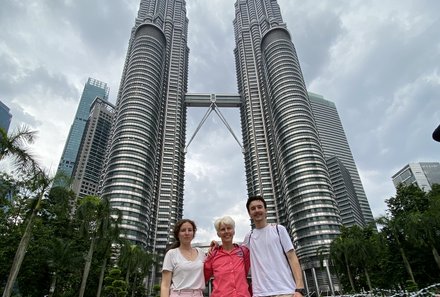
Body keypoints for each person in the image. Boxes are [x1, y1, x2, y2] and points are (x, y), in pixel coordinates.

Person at [244, 195, 306, 297]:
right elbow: (235, 253)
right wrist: (215, 245)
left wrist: (299, 289)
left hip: (285, 290)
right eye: (253, 208)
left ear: (266, 210)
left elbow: (292, 258)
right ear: (249, 213)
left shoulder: (278, 229)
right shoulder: (248, 237)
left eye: (260, 207)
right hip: (260, 293)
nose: (257, 210)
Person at [204, 216, 251, 297]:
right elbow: (203, 278)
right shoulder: (213, 255)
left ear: (233, 231)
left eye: (229, 228)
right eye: (222, 229)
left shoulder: (244, 252)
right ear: (218, 234)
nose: (226, 231)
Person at [161, 219, 205, 297]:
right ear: (177, 234)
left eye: (190, 230)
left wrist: (215, 245)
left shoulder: (201, 253)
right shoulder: (171, 254)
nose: (187, 233)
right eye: (183, 230)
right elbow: (165, 285)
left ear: (193, 233)